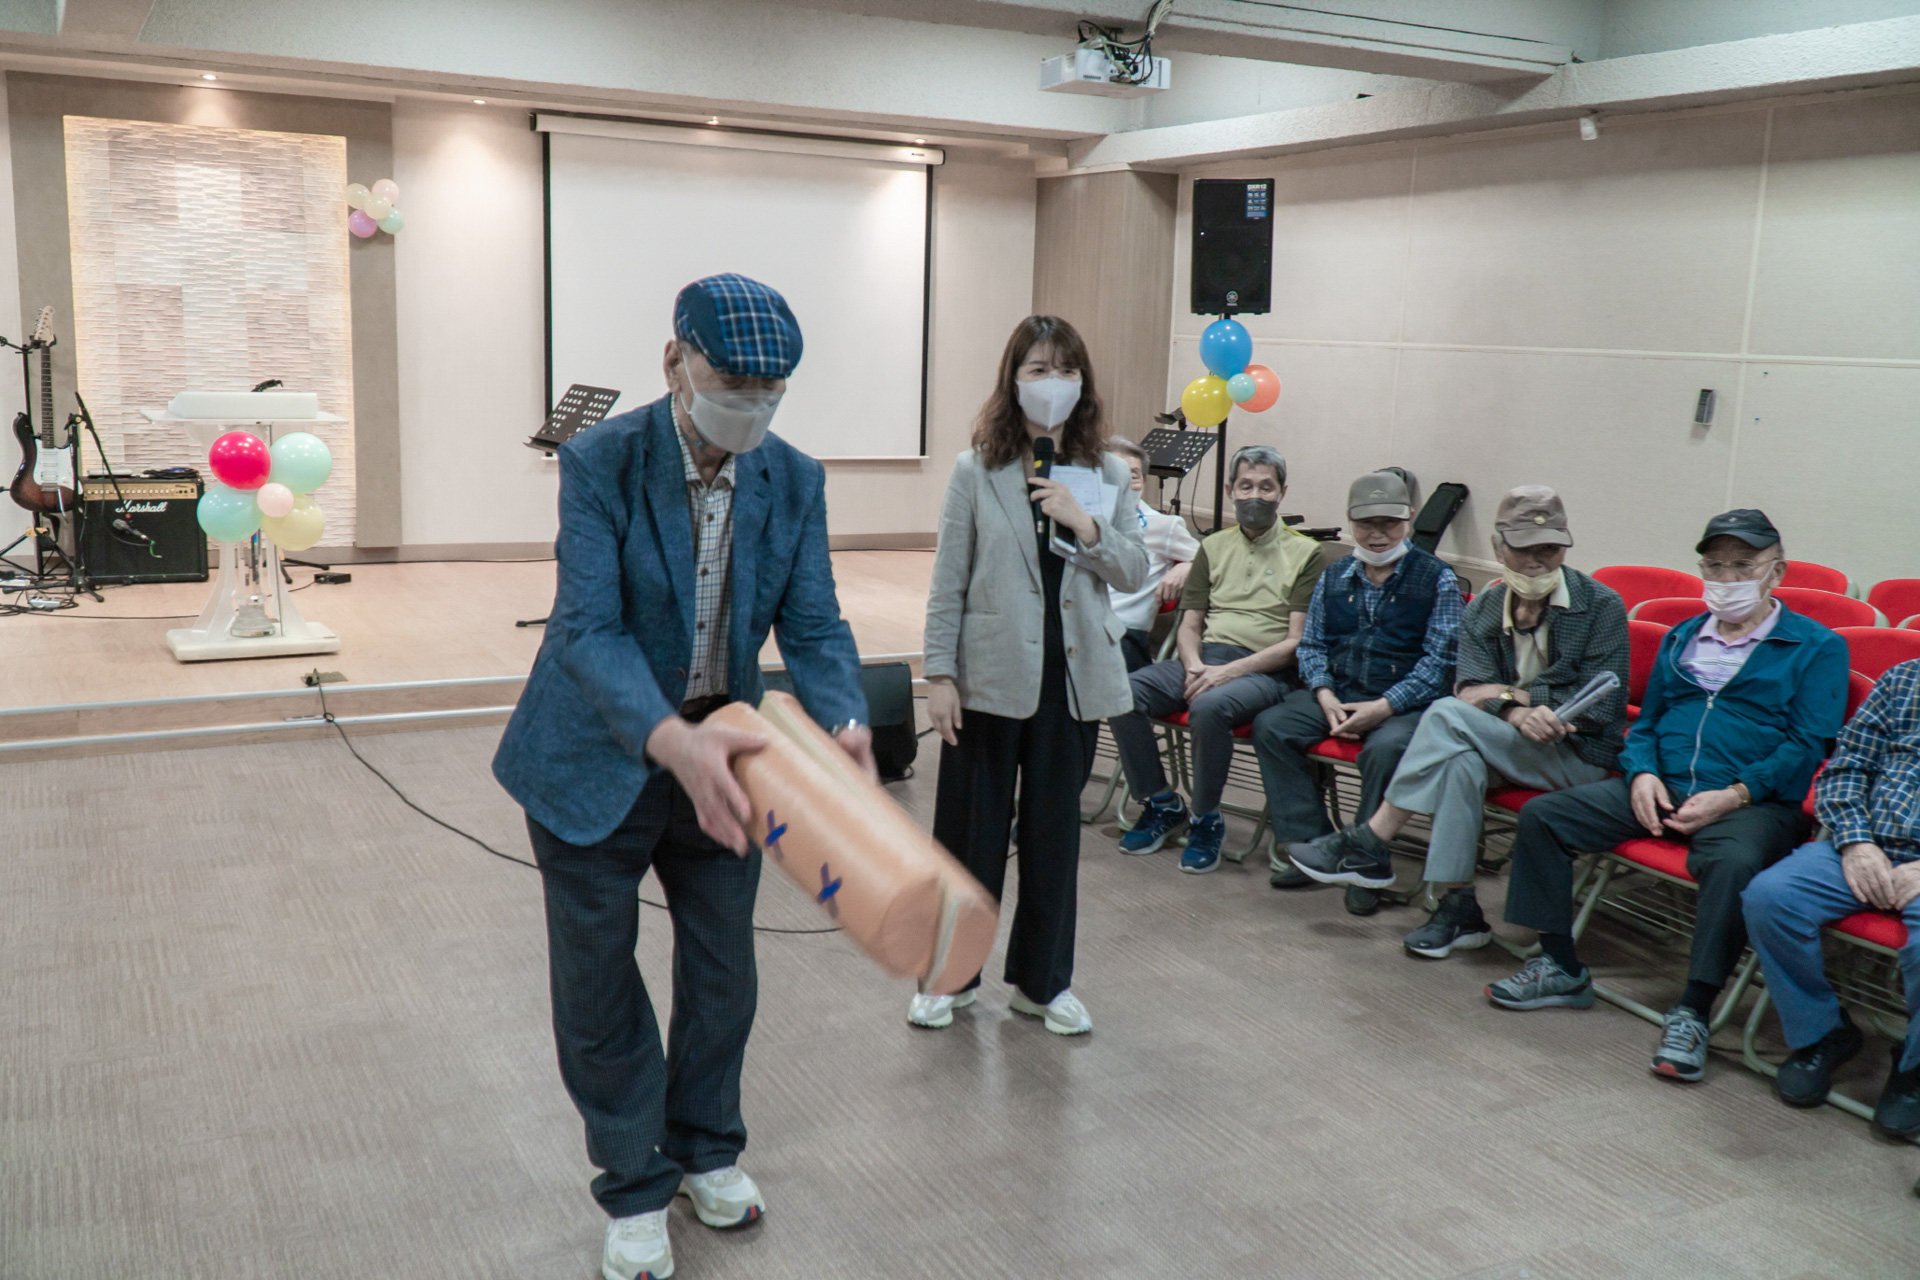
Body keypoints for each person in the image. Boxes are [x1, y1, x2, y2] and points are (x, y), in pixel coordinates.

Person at [492, 274, 873, 1280]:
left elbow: (816, 622)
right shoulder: (602, 461)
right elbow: (588, 628)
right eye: (733, 383)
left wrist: (845, 719)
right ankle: (632, 1179)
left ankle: (707, 1145)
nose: (751, 404)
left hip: (725, 758)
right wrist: (670, 739)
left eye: (770, 390)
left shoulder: (793, 479)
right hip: (594, 757)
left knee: (722, 970)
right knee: (597, 981)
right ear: (675, 363)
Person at [1485, 510, 1848, 1086]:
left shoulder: (1817, 646)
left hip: (1754, 801)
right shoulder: (1683, 636)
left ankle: (1694, 1009)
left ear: (1776, 572)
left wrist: (1734, 795)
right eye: (1714, 566)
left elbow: (1808, 746)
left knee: (1733, 863)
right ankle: (1559, 963)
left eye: (1743, 566)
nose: (1727, 578)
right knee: (1547, 817)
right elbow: (1647, 723)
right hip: (1663, 784)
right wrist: (1641, 774)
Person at [917, 314, 1146, 1036]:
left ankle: (1043, 985)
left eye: (1066, 370)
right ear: (1013, 379)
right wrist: (939, 674)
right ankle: (948, 979)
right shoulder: (975, 468)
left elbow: (1134, 568)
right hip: (987, 678)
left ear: (1084, 383)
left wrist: (1087, 524)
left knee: (1054, 843)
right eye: (1039, 369)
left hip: (1071, 680)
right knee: (970, 837)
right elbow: (948, 580)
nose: (1054, 383)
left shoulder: (1108, 473)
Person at [1289, 487, 1629, 951]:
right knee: (1457, 760)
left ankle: (1371, 838)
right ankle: (1459, 906)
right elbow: (1469, 687)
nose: (1536, 562)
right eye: (1523, 549)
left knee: (1445, 716)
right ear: (1498, 547)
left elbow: (1602, 707)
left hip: (1577, 754)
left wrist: (1511, 698)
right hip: (1504, 742)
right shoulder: (1486, 607)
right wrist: (1516, 710)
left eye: (1549, 549)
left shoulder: (1601, 605)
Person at [1110, 445, 1341, 874]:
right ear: (1230, 489)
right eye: (1246, 486)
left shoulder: (1307, 553)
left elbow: (1295, 643)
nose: (1255, 495)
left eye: (1266, 487)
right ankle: (1161, 803)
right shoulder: (1212, 546)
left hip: (1266, 669)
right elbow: (1190, 625)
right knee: (1120, 691)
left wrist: (1226, 673)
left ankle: (1206, 819)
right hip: (1206, 658)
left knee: (1209, 706)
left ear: (1282, 492)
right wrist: (1195, 665)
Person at [1259, 470, 1462, 916]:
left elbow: (1442, 664)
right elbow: (1311, 645)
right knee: (1273, 726)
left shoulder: (1437, 578)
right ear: (1351, 522)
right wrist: (1325, 694)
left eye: (1390, 523)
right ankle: (1312, 844)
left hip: (1405, 703)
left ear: (1409, 518)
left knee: (1386, 750)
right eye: (1367, 523)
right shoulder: (1334, 576)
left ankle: (1364, 858)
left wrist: (1385, 706)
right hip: (1339, 692)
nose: (1378, 533)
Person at [1743, 658, 1920, 1137]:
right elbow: (1847, 768)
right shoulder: (1904, 678)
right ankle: (1822, 1032)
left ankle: (1914, 1068)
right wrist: (1857, 842)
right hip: (1866, 843)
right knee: (1770, 898)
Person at [1105, 436, 1200, 672]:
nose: (1125, 482)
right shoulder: (1082, 519)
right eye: (1115, 473)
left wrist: (1187, 566)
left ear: (1145, 481)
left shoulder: (1162, 525)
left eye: (1133, 475)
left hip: (1124, 634)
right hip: (1078, 626)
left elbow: (1212, 558)